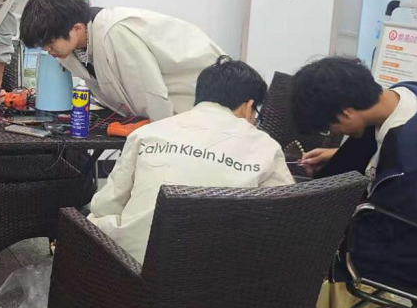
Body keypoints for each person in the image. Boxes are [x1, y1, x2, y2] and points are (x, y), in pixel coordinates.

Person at [87, 56, 294, 264]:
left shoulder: (147, 133)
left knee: (95, 220)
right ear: (248, 106)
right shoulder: (266, 147)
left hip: (135, 268)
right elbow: (289, 215)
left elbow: (105, 205)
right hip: (225, 271)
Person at [290, 57, 417, 289]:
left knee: (303, 245)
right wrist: (336, 154)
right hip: (413, 205)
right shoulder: (410, 91)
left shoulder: (409, 164)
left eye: (330, 127)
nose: (333, 133)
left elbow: (385, 230)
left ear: (346, 112)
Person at [19, 0, 225, 121]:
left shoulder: (115, 33)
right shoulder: (74, 47)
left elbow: (152, 94)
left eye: (50, 43)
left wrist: (157, 140)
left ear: (76, 29)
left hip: (207, 95)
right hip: (175, 112)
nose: (47, 50)